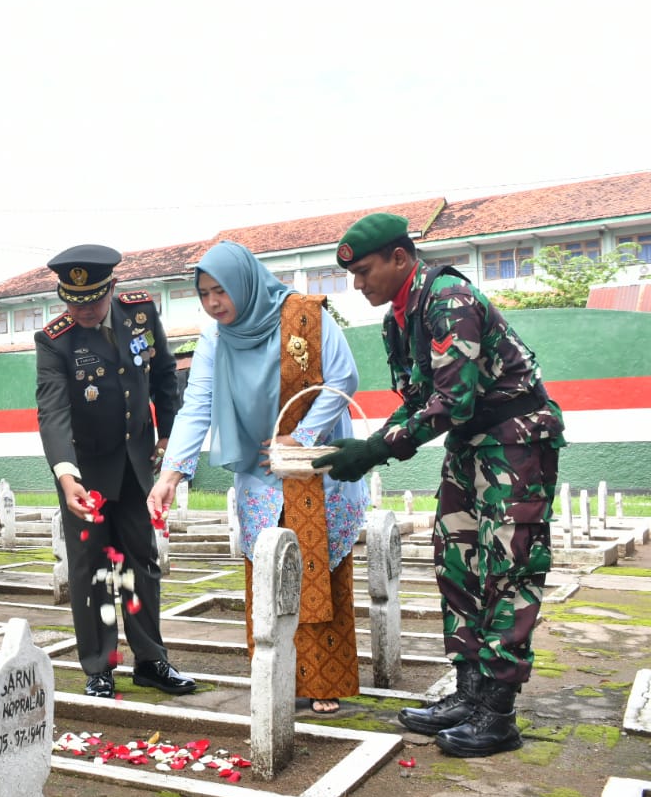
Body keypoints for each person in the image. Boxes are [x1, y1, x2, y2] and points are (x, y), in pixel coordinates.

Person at [314, 212, 565, 758]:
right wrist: (373, 442)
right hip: (468, 445)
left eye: (364, 272)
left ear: (400, 258)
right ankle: (469, 692)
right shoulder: (397, 320)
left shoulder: (448, 297)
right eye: (352, 276)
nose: (358, 286)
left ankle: (497, 712)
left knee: (509, 565)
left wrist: (379, 448)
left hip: (513, 441)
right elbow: (416, 400)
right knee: (456, 561)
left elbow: (454, 398)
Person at [146, 241, 368, 715]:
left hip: (314, 470)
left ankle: (326, 681)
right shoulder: (215, 339)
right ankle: (278, 675)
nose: (213, 303)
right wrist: (171, 474)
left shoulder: (306, 315)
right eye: (204, 294)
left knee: (319, 572)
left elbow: (343, 380)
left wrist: (301, 436)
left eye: (221, 290)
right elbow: (197, 406)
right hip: (259, 474)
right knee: (271, 574)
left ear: (245, 282)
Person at [35, 244, 194, 699]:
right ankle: (99, 667)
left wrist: (166, 436)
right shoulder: (55, 339)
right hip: (84, 475)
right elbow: (53, 412)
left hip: (137, 466)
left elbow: (164, 373)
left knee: (141, 562)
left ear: (112, 288)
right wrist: (67, 476)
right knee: (91, 570)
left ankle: (151, 661)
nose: (83, 311)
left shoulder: (139, 313)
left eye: (92, 301)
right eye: (73, 302)